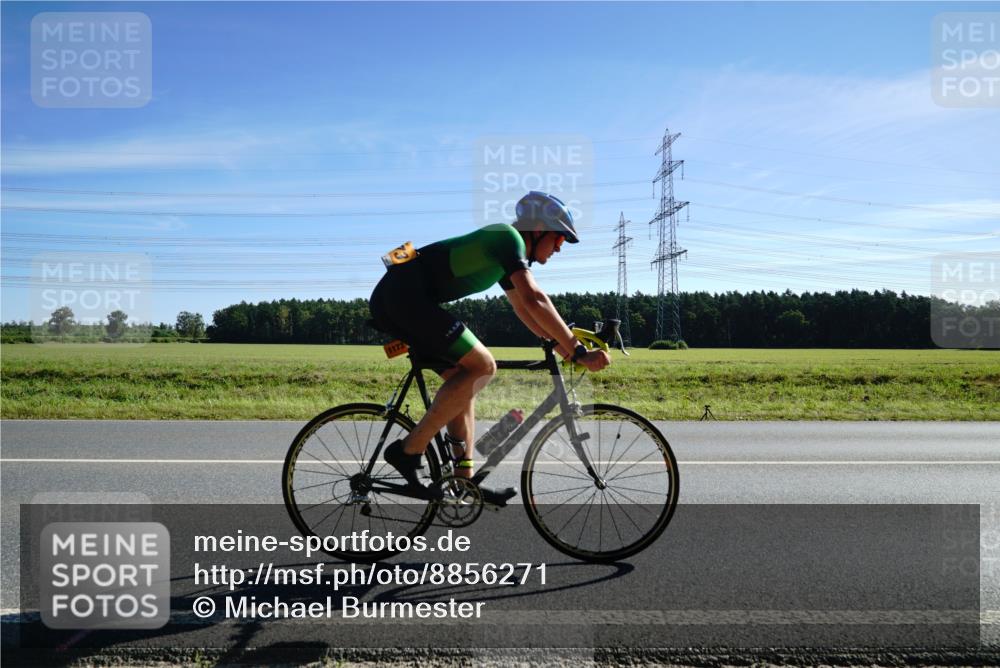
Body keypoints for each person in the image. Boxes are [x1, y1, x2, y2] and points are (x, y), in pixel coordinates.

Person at [368, 191, 611, 505]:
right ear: (538, 230)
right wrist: (578, 350)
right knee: (484, 366)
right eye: (559, 238)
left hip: (405, 298)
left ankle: (463, 482)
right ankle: (407, 451)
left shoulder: (506, 251)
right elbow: (535, 299)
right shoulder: (506, 238)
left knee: (463, 380)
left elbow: (523, 308)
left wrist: (560, 347)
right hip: (403, 299)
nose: (560, 248)